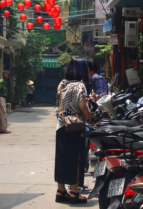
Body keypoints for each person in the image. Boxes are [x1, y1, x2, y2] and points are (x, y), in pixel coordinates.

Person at [55, 58, 91, 204]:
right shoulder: (80, 85)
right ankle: (74, 193)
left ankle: (61, 190)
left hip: (61, 125)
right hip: (75, 126)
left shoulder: (62, 83)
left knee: (62, 159)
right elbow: (82, 106)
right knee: (75, 159)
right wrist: (89, 114)